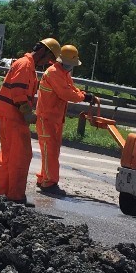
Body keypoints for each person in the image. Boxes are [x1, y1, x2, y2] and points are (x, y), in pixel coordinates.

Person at [0, 38, 60, 204]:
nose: (47, 63)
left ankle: (1, 192)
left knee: (8, 156)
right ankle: (15, 196)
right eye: (48, 58)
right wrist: (27, 112)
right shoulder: (25, 65)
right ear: (42, 51)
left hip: (11, 116)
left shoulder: (27, 65)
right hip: (14, 118)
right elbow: (18, 92)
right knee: (21, 156)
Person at [35, 44, 97, 196]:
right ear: (66, 62)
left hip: (54, 118)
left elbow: (71, 88)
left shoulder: (63, 72)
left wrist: (83, 94)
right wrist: (84, 97)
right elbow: (66, 93)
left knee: (51, 151)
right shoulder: (54, 72)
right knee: (50, 151)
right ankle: (49, 183)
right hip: (46, 118)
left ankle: (44, 178)